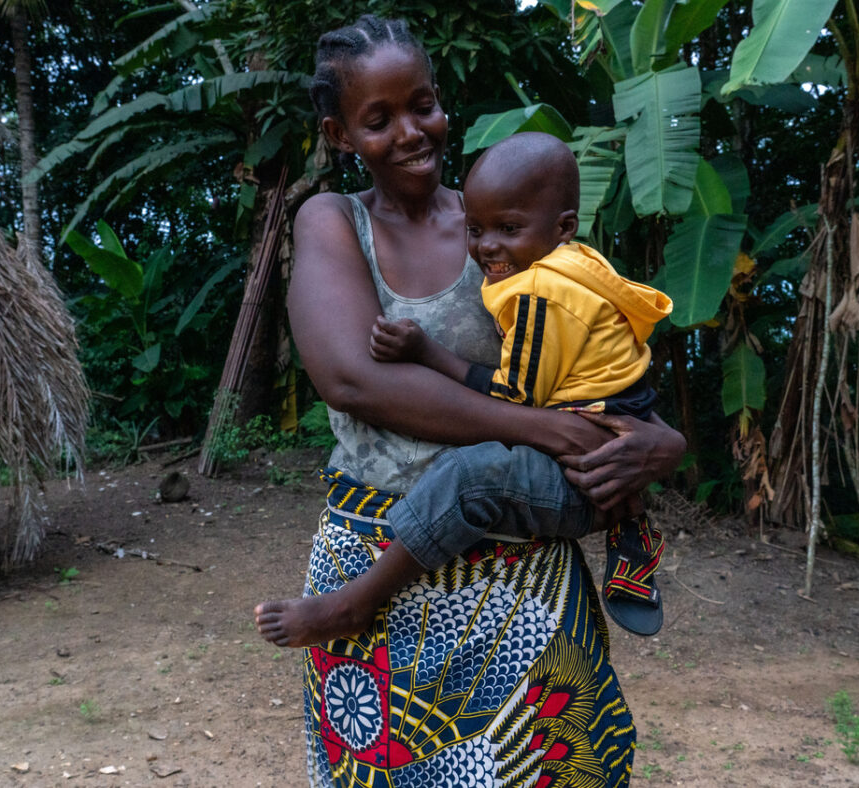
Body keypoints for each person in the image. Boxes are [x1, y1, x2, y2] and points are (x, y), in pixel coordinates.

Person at [252, 15, 684, 786]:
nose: (411, 131)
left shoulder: (506, 221)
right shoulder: (332, 221)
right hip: (374, 563)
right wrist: (545, 431)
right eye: (378, 119)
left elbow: (597, 352)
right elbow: (353, 380)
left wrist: (663, 442)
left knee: (555, 768)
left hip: (520, 577)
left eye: (422, 104)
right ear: (341, 134)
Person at [260, 131, 672, 644]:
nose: (486, 244)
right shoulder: (571, 265)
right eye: (475, 230)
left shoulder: (542, 290)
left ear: (562, 227)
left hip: (574, 492)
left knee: (470, 475)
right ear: (339, 133)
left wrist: (427, 352)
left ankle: (357, 603)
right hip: (572, 475)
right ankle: (632, 537)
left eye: (507, 229)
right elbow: (351, 383)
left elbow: (518, 396)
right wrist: (569, 430)